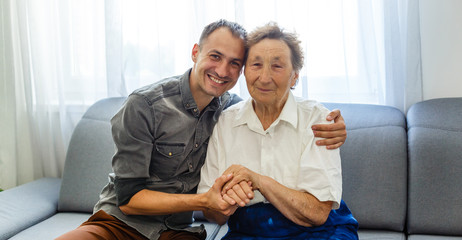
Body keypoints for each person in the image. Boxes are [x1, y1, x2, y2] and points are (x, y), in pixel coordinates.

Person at [56, 19, 347, 240]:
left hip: (177, 231)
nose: (222, 71)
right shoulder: (146, 105)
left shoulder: (230, 110)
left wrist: (339, 128)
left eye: (234, 63)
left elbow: (275, 104)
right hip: (119, 223)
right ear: (196, 52)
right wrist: (209, 201)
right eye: (215, 56)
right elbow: (129, 200)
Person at [197, 22, 358, 239]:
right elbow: (212, 214)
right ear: (244, 72)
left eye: (277, 66)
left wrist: (259, 181)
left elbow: (318, 213)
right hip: (248, 231)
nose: (264, 78)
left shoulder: (318, 119)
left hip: (320, 231)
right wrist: (224, 200)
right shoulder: (225, 121)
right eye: (256, 64)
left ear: (295, 76)